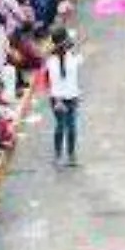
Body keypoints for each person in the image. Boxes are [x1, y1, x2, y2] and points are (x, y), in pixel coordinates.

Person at [44, 28, 81, 168]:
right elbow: (54, 82)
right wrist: (58, 101)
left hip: (72, 97)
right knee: (61, 126)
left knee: (71, 127)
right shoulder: (52, 61)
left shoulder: (71, 56)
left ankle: (71, 154)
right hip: (58, 99)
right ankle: (58, 153)